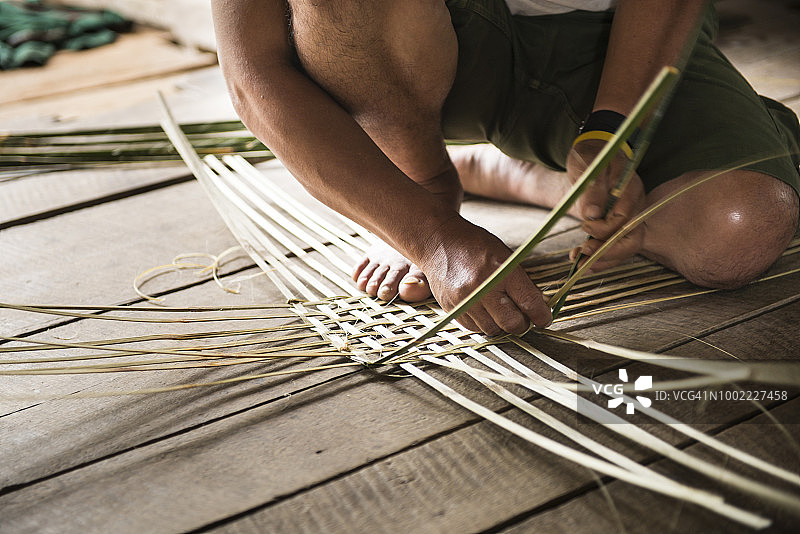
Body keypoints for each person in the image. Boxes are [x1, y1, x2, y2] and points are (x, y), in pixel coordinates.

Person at [210, 0, 800, 335]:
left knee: (738, 230)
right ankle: (422, 180)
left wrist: (614, 129)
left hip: (620, 34)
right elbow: (253, 75)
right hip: (427, 47)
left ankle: (533, 176)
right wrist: (431, 236)